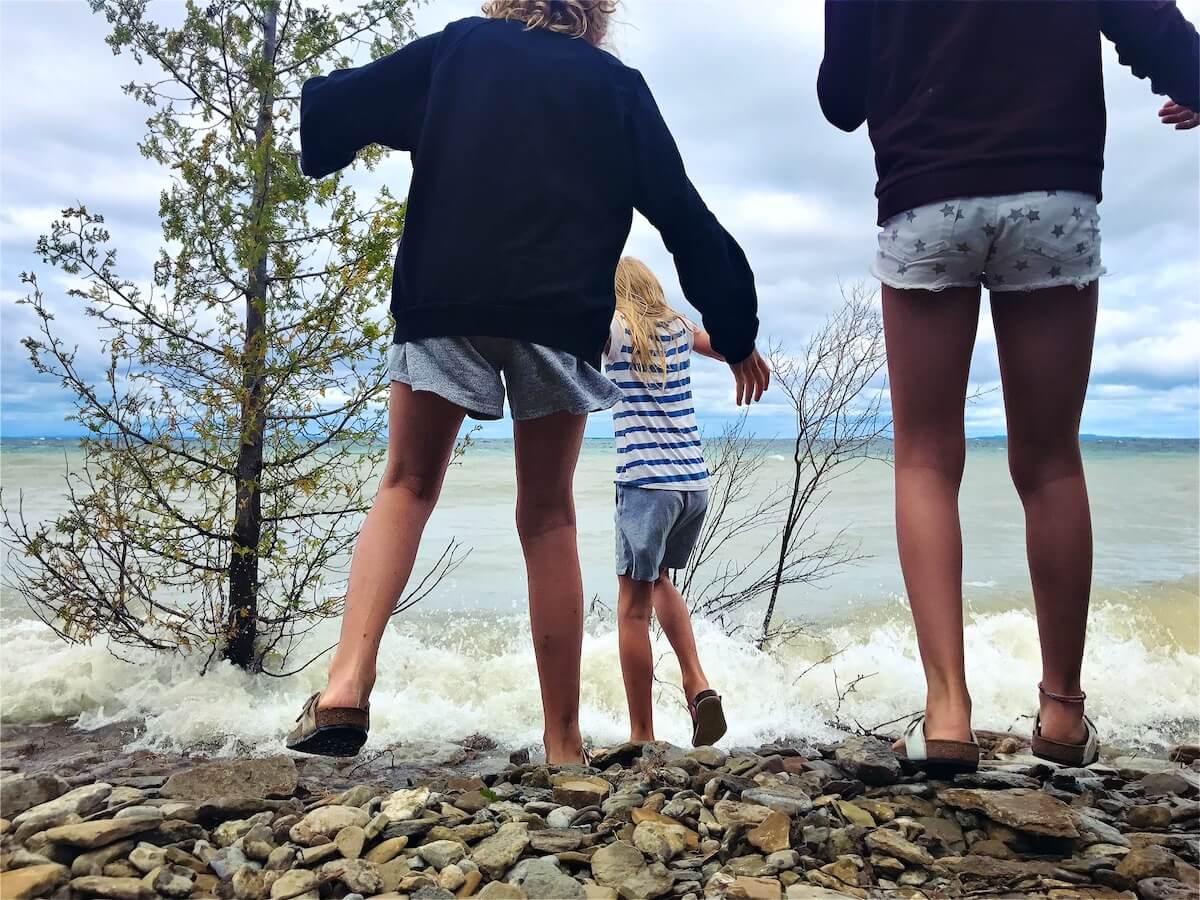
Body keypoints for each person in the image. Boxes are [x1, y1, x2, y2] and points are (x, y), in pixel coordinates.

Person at [286, 0, 769, 764]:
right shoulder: (615, 86)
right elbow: (681, 212)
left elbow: (342, 103)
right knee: (547, 517)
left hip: (446, 294)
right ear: (596, 12)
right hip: (559, 314)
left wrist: (329, 132)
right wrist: (735, 330)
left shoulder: (460, 50)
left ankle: (345, 687)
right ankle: (565, 746)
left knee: (407, 485)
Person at [818, 0, 1199, 774]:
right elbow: (1149, 22)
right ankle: (1061, 713)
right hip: (1052, 191)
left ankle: (948, 710)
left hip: (927, 193)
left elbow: (839, 101)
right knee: (1052, 459)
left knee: (925, 456)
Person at [604, 257, 768, 747]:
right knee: (659, 581)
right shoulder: (678, 326)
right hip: (693, 482)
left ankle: (642, 734)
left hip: (645, 483)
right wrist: (746, 348)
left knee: (632, 607)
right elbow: (722, 347)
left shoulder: (612, 331)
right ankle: (696, 682)